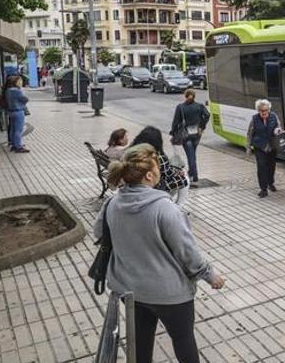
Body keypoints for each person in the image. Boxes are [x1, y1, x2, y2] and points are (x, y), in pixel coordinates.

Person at [93, 143, 225, 363]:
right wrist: (211, 275)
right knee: (183, 341)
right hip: (170, 294)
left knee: (141, 343)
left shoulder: (112, 203)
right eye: (156, 168)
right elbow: (187, 253)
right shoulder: (165, 209)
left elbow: (99, 234)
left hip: (130, 290)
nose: (159, 172)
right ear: (148, 175)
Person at [132, 126, 190, 208]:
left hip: (135, 184)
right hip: (156, 185)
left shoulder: (133, 151)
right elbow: (168, 173)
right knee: (185, 178)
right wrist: (179, 172)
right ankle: (178, 206)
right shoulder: (157, 156)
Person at [170, 89, 210, 183]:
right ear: (194, 96)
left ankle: (194, 175)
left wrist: (173, 133)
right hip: (197, 134)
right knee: (192, 153)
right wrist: (202, 127)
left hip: (186, 135)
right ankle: (191, 173)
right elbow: (207, 115)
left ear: (185, 96)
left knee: (190, 155)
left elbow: (175, 122)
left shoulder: (180, 107)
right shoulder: (199, 106)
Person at [246, 99, 281, 198]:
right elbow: (250, 133)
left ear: (269, 110)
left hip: (272, 146)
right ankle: (263, 189)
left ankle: (271, 183)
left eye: (265, 110)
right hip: (259, 147)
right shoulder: (254, 119)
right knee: (261, 167)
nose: (263, 112)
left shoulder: (274, 116)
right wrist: (248, 147)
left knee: (271, 166)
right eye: (261, 111)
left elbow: (279, 127)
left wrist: (277, 130)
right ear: (258, 110)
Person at [5, 75, 29, 153]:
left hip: (11, 111)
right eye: (19, 81)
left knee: (13, 129)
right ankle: (18, 146)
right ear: (15, 82)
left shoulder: (8, 90)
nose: (21, 83)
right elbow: (25, 99)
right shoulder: (17, 90)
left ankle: (13, 144)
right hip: (18, 111)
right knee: (18, 130)